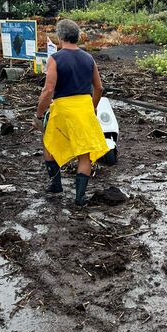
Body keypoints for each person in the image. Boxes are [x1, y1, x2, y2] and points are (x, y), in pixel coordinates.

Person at [34, 19, 108, 206]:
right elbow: (99, 88)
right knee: (84, 155)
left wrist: (39, 114)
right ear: (77, 36)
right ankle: (80, 198)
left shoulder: (55, 58)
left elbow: (48, 90)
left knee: (50, 145)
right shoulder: (88, 58)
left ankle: (56, 185)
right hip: (84, 108)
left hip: (63, 110)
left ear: (60, 37)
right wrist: (92, 107)